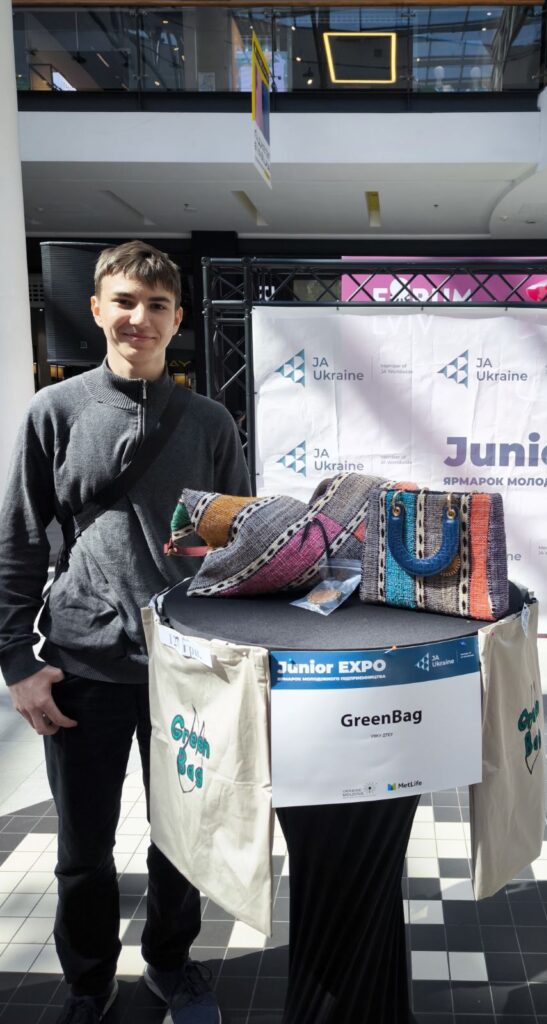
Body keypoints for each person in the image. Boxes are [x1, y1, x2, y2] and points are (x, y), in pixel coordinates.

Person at [0, 241, 250, 1024]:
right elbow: (17, 542)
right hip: (84, 666)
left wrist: (238, 655)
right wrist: (17, 663)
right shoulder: (55, 412)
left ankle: (170, 963)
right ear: (97, 309)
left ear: (177, 320)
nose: (140, 317)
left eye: (157, 305)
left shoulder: (209, 422)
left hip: (188, 667)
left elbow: (239, 549)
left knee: (184, 837)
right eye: (125, 301)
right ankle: (87, 981)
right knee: (83, 848)